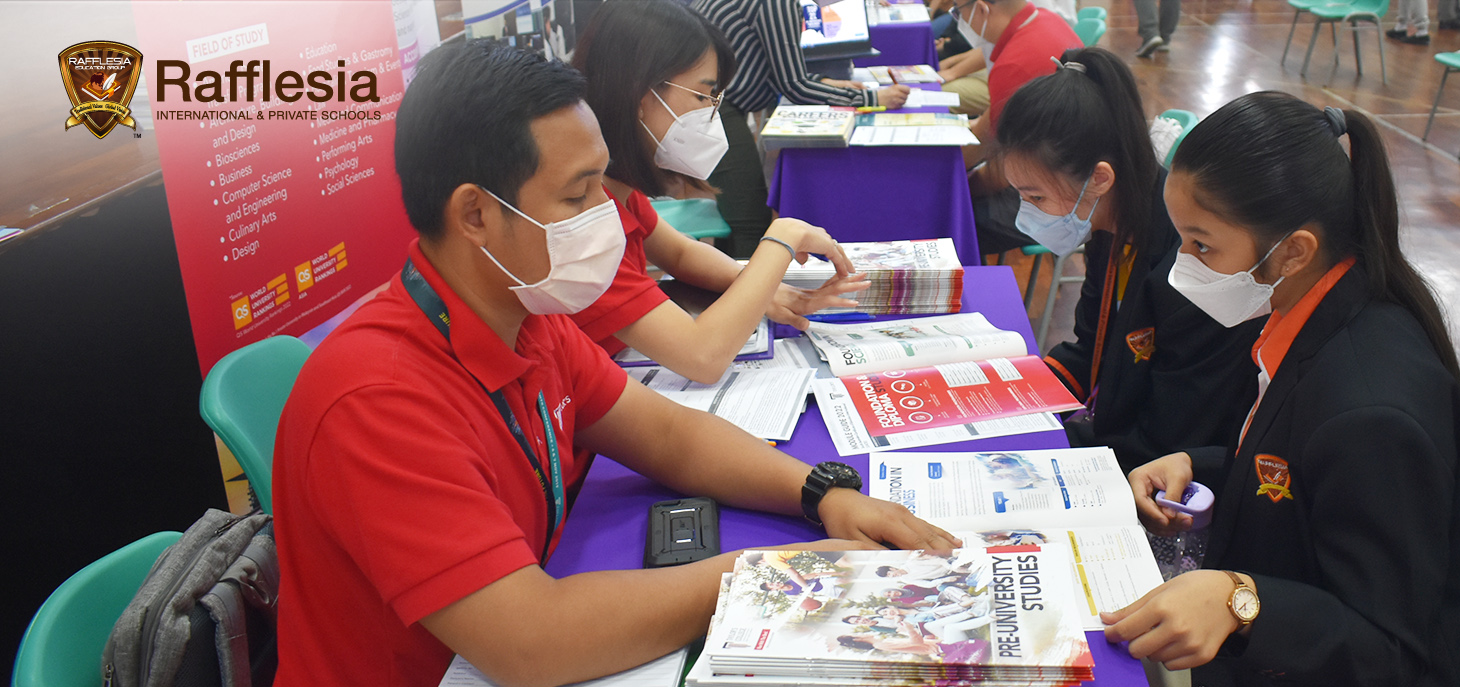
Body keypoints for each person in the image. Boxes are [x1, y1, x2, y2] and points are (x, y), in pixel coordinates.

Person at [271, 40, 959, 687]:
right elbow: (531, 641)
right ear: (475, 214)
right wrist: (777, 572)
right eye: (577, 195)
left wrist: (824, 493)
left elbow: (666, 434)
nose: (606, 213)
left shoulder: (526, 313)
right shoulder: (376, 397)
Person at [1098, 92, 1460, 685]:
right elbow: (1300, 470)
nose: (1180, 265)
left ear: (1293, 250)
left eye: (1202, 244)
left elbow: (1387, 648)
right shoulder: (1311, 311)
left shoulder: (1371, 411)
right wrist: (1199, 463)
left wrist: (1240, 601)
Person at [569, 1, 871, 382]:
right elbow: (702, 357)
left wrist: (757, 288)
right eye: (702, 97)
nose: (711, 114)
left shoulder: (617, 190)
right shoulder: (583, 216)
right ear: (640, 95)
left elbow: (677, 251)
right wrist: (782, 238)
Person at [991, 48, 1260, 472]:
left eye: (1036, 196)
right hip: (1130, 432)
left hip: (1164, 462)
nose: (1028, 211)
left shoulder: (1188, 265)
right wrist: (1010, 397)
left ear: (1099, 178)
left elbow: (1172, 429)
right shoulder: (1110, 228)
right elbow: (1089, 348)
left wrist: (1054, 441)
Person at [693, 0, 912, 257]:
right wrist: (873, 99)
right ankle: (748, 294)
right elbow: (794, 84)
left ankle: (726, 289)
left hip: (709, 100)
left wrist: (828, 84)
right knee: (749, 219)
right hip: (711, 104)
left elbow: (777, 65)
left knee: (737, 214)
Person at [938, 0, 1084, 257]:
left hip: (1064, 199)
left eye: (958, 12)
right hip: (1071, 175)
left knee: (948, 219)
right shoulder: (1044, 19)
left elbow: (998, 175)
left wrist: (952, 184)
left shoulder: (1015, 63)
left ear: (982, 9)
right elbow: (992, 126)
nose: (959, 21)